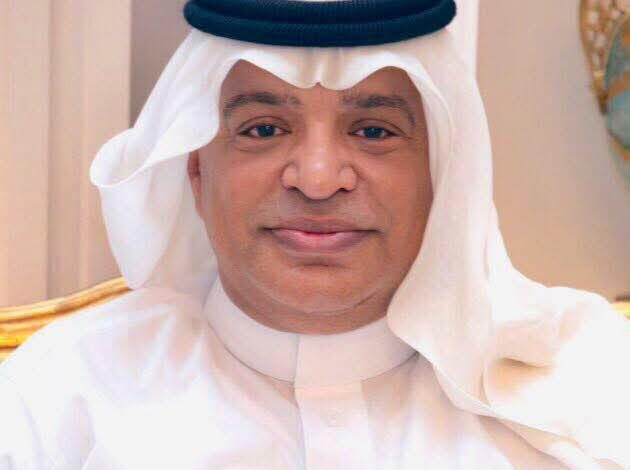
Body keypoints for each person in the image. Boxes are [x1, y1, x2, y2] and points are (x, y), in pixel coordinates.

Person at [1, 1, 629, 469]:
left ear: (443, 173)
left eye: (374, 132)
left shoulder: (596, 384)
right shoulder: (60, 397)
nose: (320, 179)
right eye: (263, 129)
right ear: (196, 169)